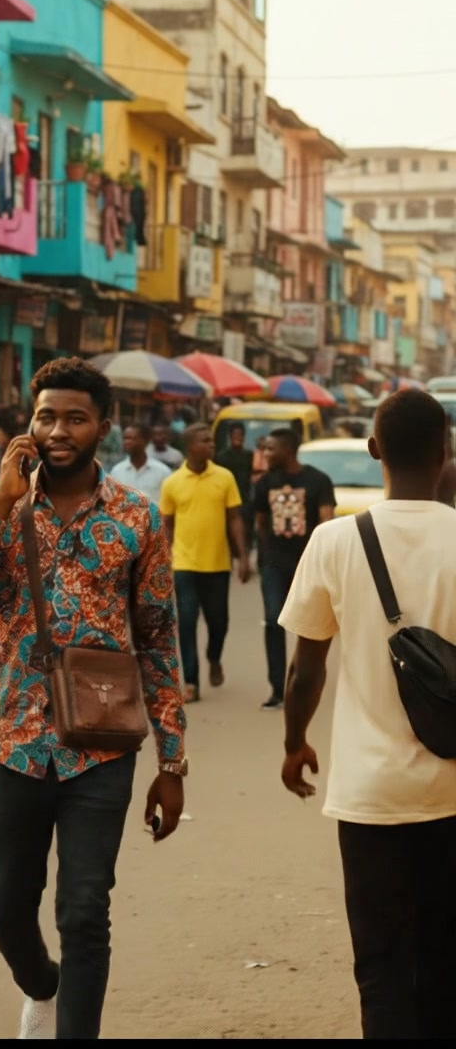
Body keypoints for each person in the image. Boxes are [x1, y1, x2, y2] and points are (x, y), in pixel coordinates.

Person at [0, 357, 186, 1041]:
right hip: (13, 743)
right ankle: (41, 985)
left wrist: (172, 763)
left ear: (103, 425)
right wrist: (7, 504)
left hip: (100, 748)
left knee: (84, 911)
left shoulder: (136, 517)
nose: (58, 430)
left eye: (75, 417)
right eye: (46, 416)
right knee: (5, 906)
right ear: (29, 422)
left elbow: (160, 640)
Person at [279, 390, 456, 1041]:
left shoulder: (334, 542)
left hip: (369, 796)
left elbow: (305, 670)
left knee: (380, 965)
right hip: (453, 794)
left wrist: (295, 742)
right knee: (445, 962)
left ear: (374, 449)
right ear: (447, 450)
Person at [161, 422, 250, 702]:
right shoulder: (172, 482)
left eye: (212, 441)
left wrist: (243, 556)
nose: (212, 445)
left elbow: (235, 518)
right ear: (190, 448)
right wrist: (163, 558)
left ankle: (214, 657)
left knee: (218, 622)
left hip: (217, 564)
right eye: (206, 441)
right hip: (184, 564)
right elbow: (167, 524)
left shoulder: (224, 477)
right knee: (186, 622)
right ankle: (191, 682)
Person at [253, 428, 335, 710]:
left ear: (287, 450)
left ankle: (303, 683)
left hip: (307, 562)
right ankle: (278, 689)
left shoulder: (318, 481)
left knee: (309, 627)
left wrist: (322, 560)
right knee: (273, 621)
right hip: (275, 562)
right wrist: (266, 557)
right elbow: (261, 522)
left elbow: (326, 521)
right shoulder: (265, 483)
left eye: (270, 449)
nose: (265, 454)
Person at [110, 421, 171, 505]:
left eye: (132, 438)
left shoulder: (163, 471)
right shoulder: (117, 471)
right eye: (125, 438)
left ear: (145, 440)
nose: (127, 442)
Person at [218, 423, 255, 549]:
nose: (238, 438)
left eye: (240, 435)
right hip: (226, 501)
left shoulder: (249, 455)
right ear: (230, 436)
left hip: (244, 499)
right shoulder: (222, 456)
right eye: (235, 435)